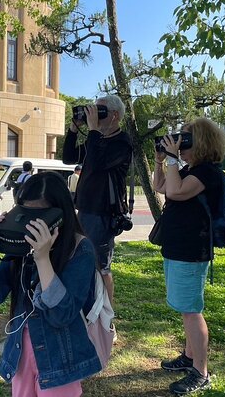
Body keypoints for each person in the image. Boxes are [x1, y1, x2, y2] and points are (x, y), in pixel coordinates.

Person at [0, 172, 101, 396]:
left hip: (61, 357)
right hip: (20, 354)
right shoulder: (22, 246)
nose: (30, 225)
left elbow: (62, 313)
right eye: (25, 213)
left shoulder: (80, 249)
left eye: (39, 216)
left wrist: (42, 259)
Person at [152, 117, 225, 395]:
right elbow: (162, 187)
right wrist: (161, 161)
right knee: (185, 308)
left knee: (191, 311)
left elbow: (176, 191)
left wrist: (172, 159)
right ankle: (189, 356)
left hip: (192, 251)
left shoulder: (207, 173)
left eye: (185, 139)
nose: (180, 144)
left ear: (201, 143)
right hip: (177, 247)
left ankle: (201, 371)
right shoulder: (190, 170)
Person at [62, 95, 132, 304]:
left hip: (103, 212)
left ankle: (106, 317)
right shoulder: (97, 140)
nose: (95, 115)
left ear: (115, 115)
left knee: (101, 266)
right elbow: (68, 158)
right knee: (79, 259)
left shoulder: (122, 142)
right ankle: (88, 308)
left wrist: (92, 131)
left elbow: (98, 163)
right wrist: (75, 129)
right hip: (84, 208)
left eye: (100, 111)